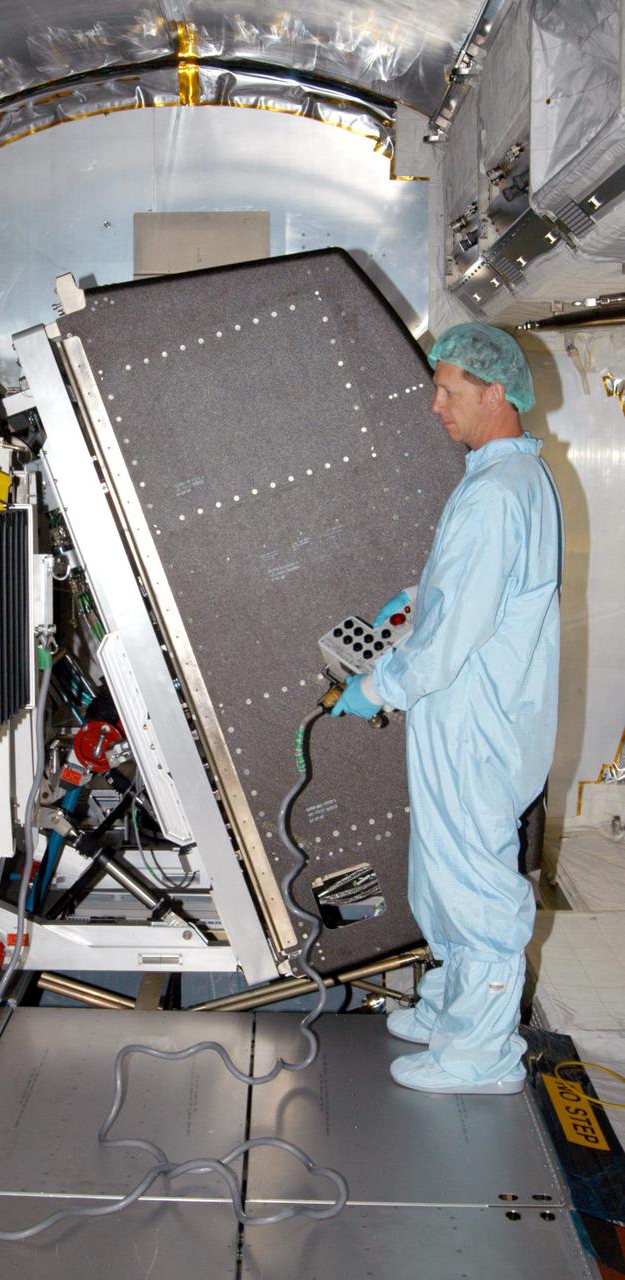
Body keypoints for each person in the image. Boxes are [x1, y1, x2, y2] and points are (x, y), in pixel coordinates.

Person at [332, 322, 561, 1095]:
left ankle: (481, 1053)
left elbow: (455, 633)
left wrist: (378, 687)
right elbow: (468, 594)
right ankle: (450, 1007)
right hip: (462, 717)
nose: (436, 406)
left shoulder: (497, 493)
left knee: (476, 887)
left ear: (496, 394)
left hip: (475, 723)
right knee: (442, 878)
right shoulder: (497, 478)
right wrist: (419, 596)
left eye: (449, 391)